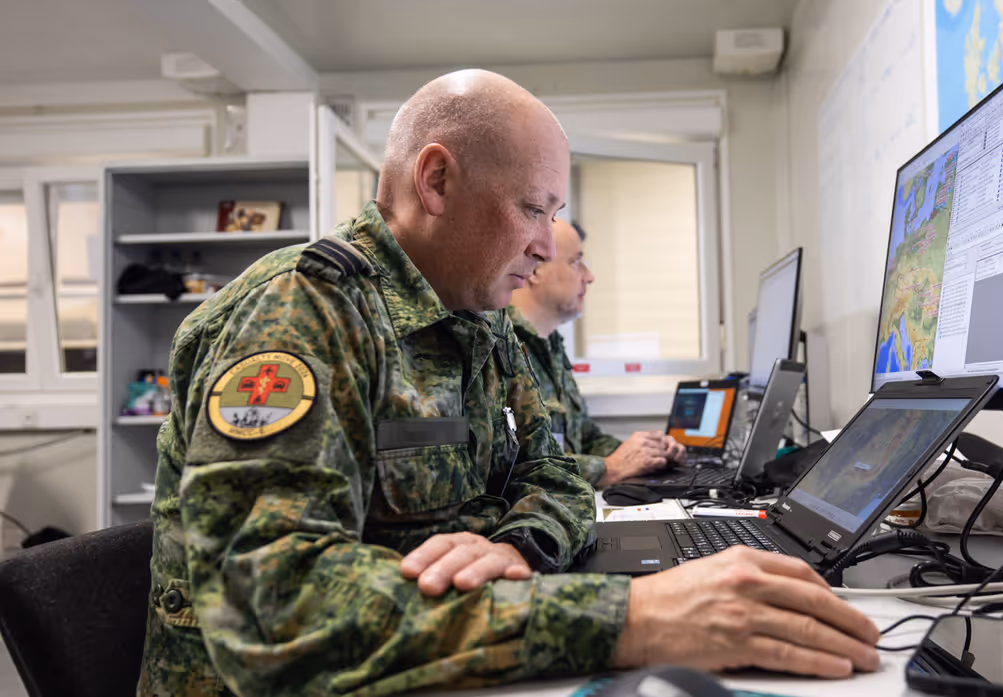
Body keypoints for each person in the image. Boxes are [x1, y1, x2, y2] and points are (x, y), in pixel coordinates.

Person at [138, 69, 880, 696]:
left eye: (552, 215)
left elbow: (553, 472)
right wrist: (630, 617)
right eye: (532, 208)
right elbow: (274, 609)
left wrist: (523, 545)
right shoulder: (300, 314)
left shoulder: (480, 316)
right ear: (436, 181)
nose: (544, 245)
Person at [508, 219, 686, 487]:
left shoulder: (551, 347)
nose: (589, 276)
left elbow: (584, 437)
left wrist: (648, 452)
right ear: (534, 269)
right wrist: (607, 469)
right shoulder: (499, 346)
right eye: (575, 262)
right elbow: (516, 466)